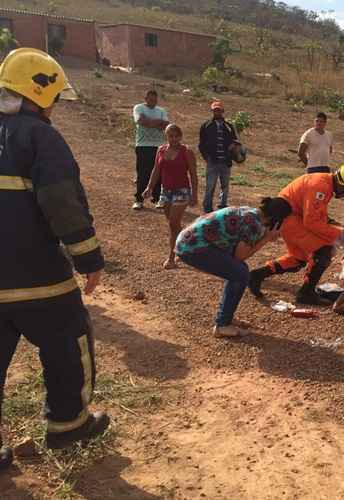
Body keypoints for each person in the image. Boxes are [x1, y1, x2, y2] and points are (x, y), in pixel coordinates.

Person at [0, 48, 109, 470]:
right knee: (68, 343)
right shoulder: (39, 136)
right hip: (39, 277)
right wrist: (89, 260)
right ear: (39, 94)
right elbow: (62, 204)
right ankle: (68, 426)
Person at [248, 164, 344, 305]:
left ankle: (257, 275)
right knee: (323, 252)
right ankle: (306, 294)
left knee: (298, 258)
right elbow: (311, 222)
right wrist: (338, 234)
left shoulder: (325, 184)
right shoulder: (321, 187)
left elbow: (316, 213)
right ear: (342, 184)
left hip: (291, 216)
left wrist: (335, 230)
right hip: (289, 217)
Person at [175, 198, 292, 338]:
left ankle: (226, 318)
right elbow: (240, 256)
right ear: (276, 218)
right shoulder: (253, 225)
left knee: (238, 270)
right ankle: (222, 325)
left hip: (188, 241)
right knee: (240, 274)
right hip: (193, 248)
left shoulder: (251, 213)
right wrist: (266, 238)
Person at [142, 124, 199, 269]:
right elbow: (156, 170)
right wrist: (149, 187)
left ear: (180, 136)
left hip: (182, 192)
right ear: (166, 137)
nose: (174, 139)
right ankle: (188, 244)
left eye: (176, 136)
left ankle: (172, 257)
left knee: (173, 224)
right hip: (166, 192)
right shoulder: (161, 150)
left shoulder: (186, 151)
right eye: (171, 136)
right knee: (174, 224)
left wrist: (194, 194)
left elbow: (193, 174)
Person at [199, 100, 239, 213]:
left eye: (219, 110)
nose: (217, 112)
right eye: (215, 110)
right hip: (213, 161)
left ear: (223, 111)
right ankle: (207, 207)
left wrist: (233, 147)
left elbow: (235, 141)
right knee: (210, 185)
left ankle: (222, 205)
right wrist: (207, 158)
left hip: (226, 161)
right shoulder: (206, 126)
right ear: (212, 111)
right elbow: (201, 144)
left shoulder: (229, 126)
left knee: (225, 185)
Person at [132, 89, 169, 210]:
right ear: (145, 98)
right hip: (143, 145)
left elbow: (166, 126)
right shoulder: (139, 108)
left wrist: (150, 122)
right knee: (143, 173)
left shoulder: (161, 110)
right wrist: (158, 122)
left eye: (155, 100)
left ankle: (158, 198)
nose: (153, 102)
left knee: (160, 173)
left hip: (159, 146)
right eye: (150, 99)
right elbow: (140, 121)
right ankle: (139, 199)